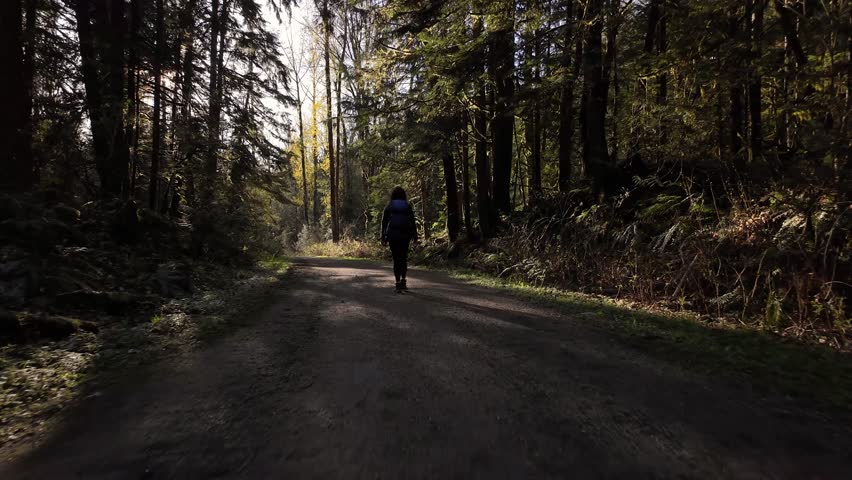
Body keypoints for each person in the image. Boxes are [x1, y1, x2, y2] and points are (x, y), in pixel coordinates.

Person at [381, 186, 418, 292]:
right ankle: (403, 281)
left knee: (396, 259)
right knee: (403, 258)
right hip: (405, 235)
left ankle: (397, 283)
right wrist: (415, 235)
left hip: (393, 235)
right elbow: (412, 221)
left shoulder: (389, 205)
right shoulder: (407, 205)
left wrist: (383, 237)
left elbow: (384, 222)